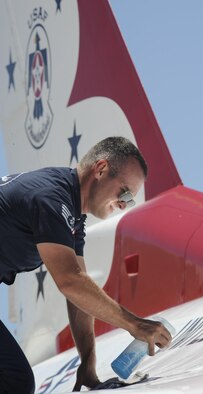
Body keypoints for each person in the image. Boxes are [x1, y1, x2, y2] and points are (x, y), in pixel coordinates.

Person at [0, 136, 172, 393]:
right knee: (14, 382)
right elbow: (70, 282)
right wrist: (136, 325)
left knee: (14, 381)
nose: (124, 204)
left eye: (131, 200)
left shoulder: (71, 218)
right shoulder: (50, 197)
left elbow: (79, 291)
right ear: (100, 169)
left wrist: (88, 363)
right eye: (124, 192)